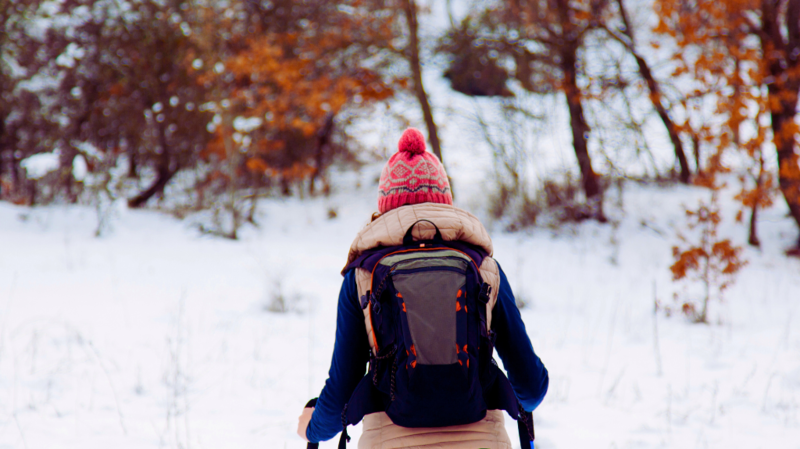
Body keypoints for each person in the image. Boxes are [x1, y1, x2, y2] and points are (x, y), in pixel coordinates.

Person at [297, 128, 548, 448]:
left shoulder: (362, 276)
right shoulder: (486, 270)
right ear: (444, 202)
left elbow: (341, 392)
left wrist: (312, 428)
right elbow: (531, 388)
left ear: (386, 207)